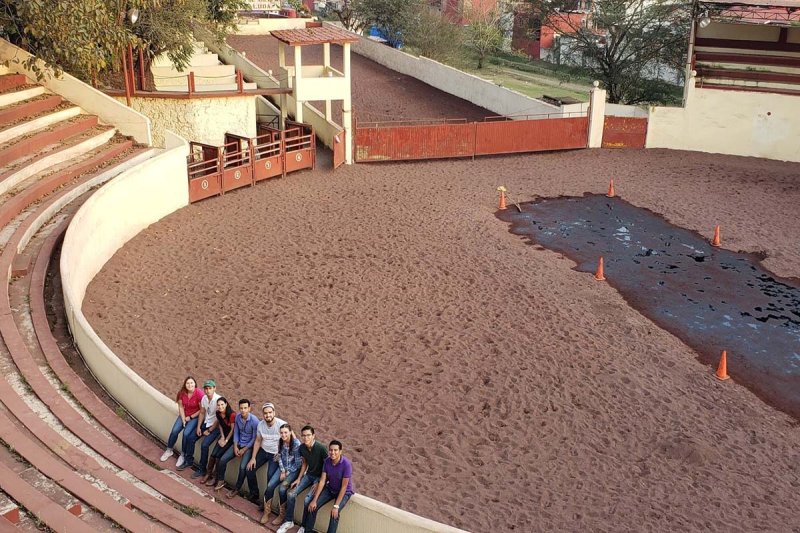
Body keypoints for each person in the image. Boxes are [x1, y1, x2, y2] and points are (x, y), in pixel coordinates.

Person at [276, 425, 329, 533]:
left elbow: (328, 467)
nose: (306, 438)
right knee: (291, 494)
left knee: (307, 500)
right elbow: (304, 464)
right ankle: (289, 521)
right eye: (303, 435)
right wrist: (299, 478)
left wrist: (319, 482)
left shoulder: (321, 448)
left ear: (313, 436)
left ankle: (304, 527)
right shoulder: (302, 448)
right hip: (308, 475)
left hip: (319, 477)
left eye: (308, 435)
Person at [298, 440, 354, 533]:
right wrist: (314, 500)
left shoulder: (346, 464)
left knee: (334, 514)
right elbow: (323, 481)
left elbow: (344, 487)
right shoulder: (327, 461)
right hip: (330, 489)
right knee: (313, 507)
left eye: (335, 450)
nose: (333, 452)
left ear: (340, 451)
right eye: (331, 450)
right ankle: (307, 531)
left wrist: (336, 506)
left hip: (344, 492)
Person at [214, 399, 259, 495]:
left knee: (243, 468)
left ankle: (237, 489)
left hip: (248, 447)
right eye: (241, 408)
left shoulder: (255, 421)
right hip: (238, 443)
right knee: (222, 460)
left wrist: (244, 449)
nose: (243, 410)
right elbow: (236, 432)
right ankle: (221, 480)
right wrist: (235, 446)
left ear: (249, 408)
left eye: (245, 408)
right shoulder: (238, 417)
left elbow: (254, 438)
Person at [245, 402, 285, 506]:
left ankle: (266, 502)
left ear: (274, 412)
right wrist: (253, 457)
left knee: (270, 476)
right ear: (263, 415)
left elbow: (292, 440)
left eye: (270, 412)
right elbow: (258, 441)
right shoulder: (260, 425)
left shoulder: (281, 425)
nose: (268, 415)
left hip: (276, 454)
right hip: (263, 451)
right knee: (249, 469)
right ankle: (254, 494)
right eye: (265, 413)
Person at [262, 424, 302, 525]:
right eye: (281, 433)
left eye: (285, 432)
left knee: (282, 489)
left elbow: (298, 463)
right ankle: (266, 512)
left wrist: (288, 472)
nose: (283, 435)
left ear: (290, 432)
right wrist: (283, 470)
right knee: (270, 485)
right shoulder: (281, 441)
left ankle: (282, 514)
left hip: (293, 470)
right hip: (283, 468)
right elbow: (279, 456)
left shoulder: (296, 444)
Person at [160, 376, 204, 469]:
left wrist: (190, 417)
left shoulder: (199, 393)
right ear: (185, 384)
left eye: (192, 383)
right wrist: (183, 419)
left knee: (186, 433)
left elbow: (202, 410)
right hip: (184, 415)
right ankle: (169, 450)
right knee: (175, 431)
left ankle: (183, 455)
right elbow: (180, 407)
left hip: (194, 417)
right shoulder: (182, 393)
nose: (190, 385)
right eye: (188, 383)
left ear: (195, 384)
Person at [188, 379, 221, 477]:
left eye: (210, 388)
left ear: (214, 388)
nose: (207, 390)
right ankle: (188, 460)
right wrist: (199, 427)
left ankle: (202, 469)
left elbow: (219, 418)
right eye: (206, 388)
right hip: (206, 423)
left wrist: (209, 430)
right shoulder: (204, 399)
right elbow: (202, 412)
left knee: (204, 445)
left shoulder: (218, 400)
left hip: (215, 427)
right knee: (190, 438)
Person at [202, 396, 235, 486]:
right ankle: (208, 474)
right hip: (223, 437)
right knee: (213, 454)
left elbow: (233, 430)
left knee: (218, 457)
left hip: (231, 439)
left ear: (226, 404)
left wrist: (226, 440)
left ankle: (215, 478)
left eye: (222, 405)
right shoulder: (218, 413)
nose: (220, 407)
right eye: (218, 405)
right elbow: (220, 425)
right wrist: (222, 437)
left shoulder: (232, 415)